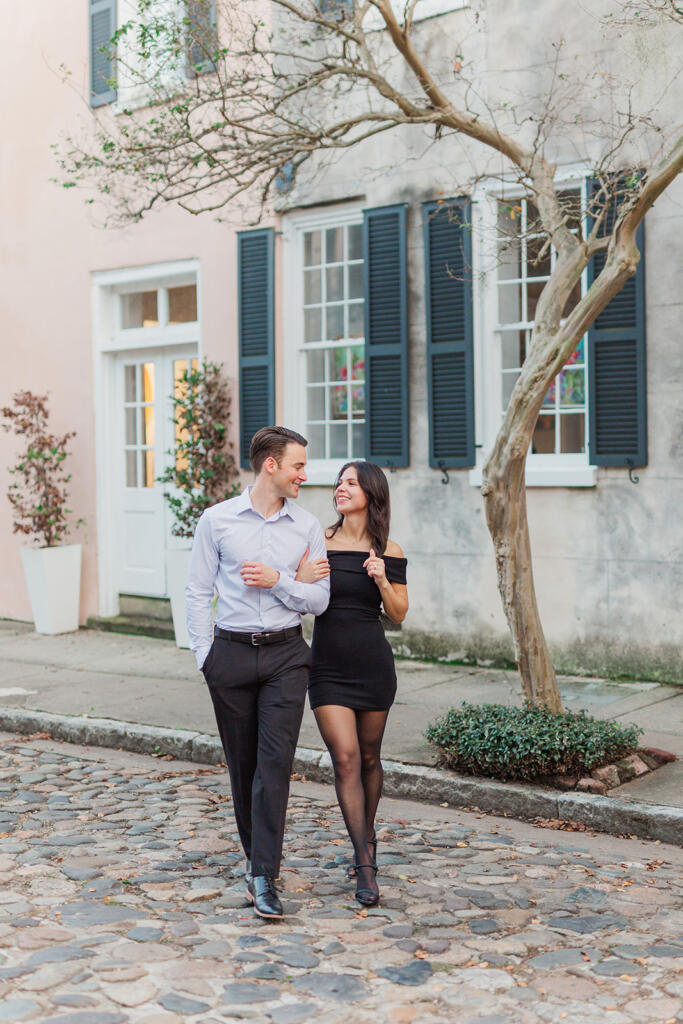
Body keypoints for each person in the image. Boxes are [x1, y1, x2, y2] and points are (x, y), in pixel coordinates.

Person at [185, 426, 330, 920]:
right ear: (271, 465)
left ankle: (265, 874)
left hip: (287, 655)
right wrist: (204, 656)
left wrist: (280, 581)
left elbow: (319, 599)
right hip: (229, 655)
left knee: (273, 766)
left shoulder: (306, 527)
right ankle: (256, 863)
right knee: (243, 767)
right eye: (297, 467)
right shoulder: (217, 521)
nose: (303, 476)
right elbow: (198, 591)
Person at [296, 461, 408, 906]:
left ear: (371, 493)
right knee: (344, 759)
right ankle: (364, 863)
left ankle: (367, 840)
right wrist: (299, 578)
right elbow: (297, 596)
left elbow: (398, 614)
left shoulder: (389, 549)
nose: (340, 488)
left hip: (373, 666)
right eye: (339, 482)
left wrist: (381, 577)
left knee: (368, 758)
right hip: (326, 668)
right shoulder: (317, 543)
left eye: (351, 483)